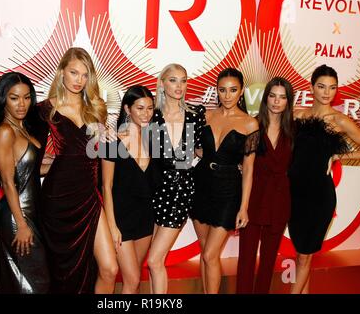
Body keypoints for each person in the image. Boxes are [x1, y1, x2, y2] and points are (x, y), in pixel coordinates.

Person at [35, 47, 118, 293]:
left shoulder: (96, 108)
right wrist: (50, 164)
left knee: (109, 269)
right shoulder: (44, 109)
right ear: (61, 72)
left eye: (84, 75)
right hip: (57, 202)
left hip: (89, 198)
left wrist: (116, 142)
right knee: (62, 274)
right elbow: (30, 162)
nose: (79, 80)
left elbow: (102, 153)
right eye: (73, 72)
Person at [288, 64, 360, 294]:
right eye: (321, 86)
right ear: (311, 87)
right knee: (303, 255)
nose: (326, 92)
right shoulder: (297, 114)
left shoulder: (339, 120)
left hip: (319, 196)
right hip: (293, 193)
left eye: (332, 87)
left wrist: (341, 154)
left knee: (303, 256)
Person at [191, 68, 259, 294]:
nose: (227, 95)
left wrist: (244, 207)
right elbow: (200, 150)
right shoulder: (207, 116)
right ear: (216, 91)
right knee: (204, 251)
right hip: (201, 184)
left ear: (241, 92)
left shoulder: (250, 124)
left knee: (210, 254)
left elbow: (248, 169)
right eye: (222, 90)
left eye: (233, 90)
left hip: (228, 190)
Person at [147, 63, 206, 294]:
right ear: (162, 83)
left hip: (180, 192)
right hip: (153, 190)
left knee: (154, 259)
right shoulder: (152, 116)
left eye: (183, 80)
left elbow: (202, 150)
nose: (179, 85)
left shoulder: (194, 115)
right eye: (173, 80)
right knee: (154, 259)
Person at [0, 72, 50, 293]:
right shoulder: (5, 131)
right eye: (14, 98)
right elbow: (7, 181)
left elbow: (29, 172)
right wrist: (21, 224)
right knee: (35, 285)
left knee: (21, 283)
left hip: (31, 212)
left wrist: (64, 165)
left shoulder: (22, 127)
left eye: (26, 97)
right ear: (3, 99)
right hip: (18, 216)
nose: (22, 104)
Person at [236, 77, 294, 294]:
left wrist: (331, 156)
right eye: (272, 95)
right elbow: (242, 163)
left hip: (280, 201)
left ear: (288, 101)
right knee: (246, 261)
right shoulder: (253, 125)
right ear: (265, 97)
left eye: (282, 97)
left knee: (268, 262)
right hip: (253, 199)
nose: (276, 101)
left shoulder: (293, 131)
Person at [100, 85, 159, 293]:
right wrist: (112, 225)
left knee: (132, 281)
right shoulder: (111, 141)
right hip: (121, 220)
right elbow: (106, 187)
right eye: (140, 108)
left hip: (145, 218)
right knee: (132, 279)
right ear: (127, 109)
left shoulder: (154, 140)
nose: (146, 113)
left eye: (150, 108)